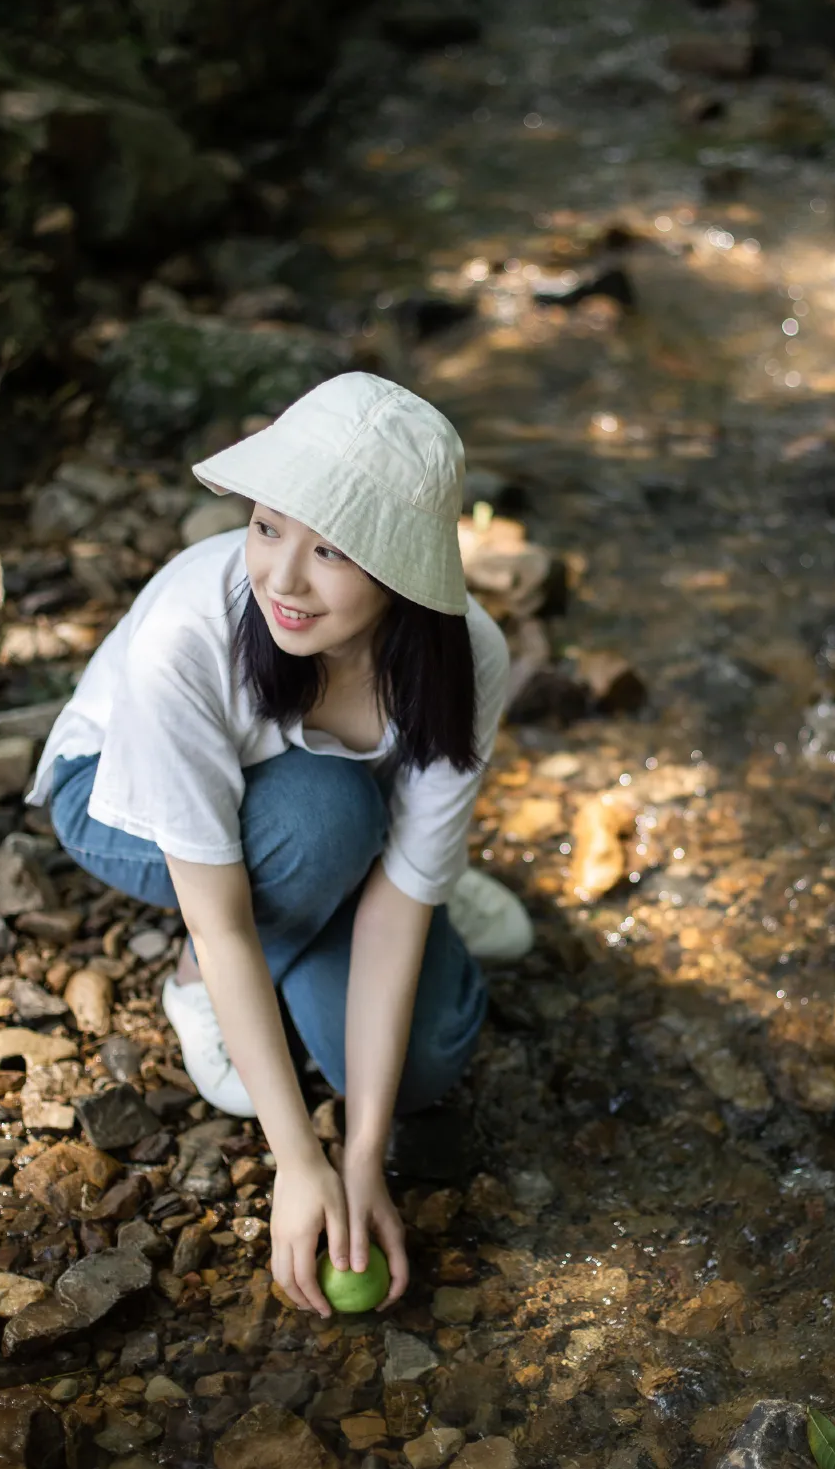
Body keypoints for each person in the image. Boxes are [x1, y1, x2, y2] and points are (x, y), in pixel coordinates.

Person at [26, 372, 533, 1317]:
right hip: (119, 800)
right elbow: (224, 924)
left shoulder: (468, 655)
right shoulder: (192, 630)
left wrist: (364, 1156)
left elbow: (394, 922)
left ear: (402, 568)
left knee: (427, 1064)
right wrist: (299, 1161)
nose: (283, 579)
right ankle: (193, 984)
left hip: (320, 825)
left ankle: (413, 860)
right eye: (267, 527)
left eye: (331, 549)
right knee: (328, 815)